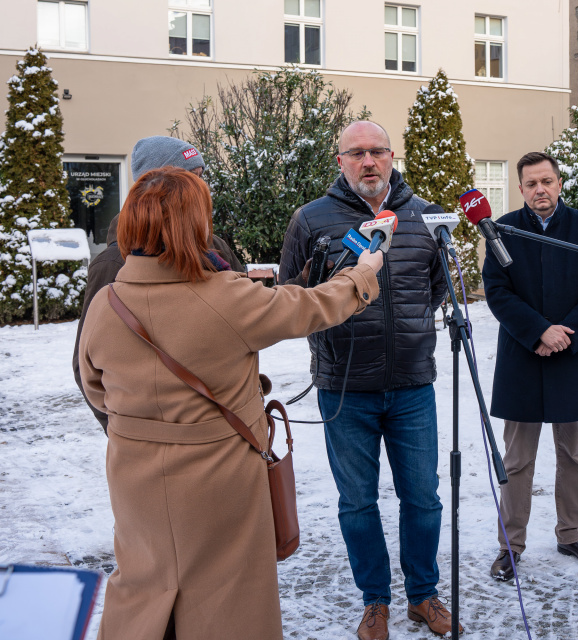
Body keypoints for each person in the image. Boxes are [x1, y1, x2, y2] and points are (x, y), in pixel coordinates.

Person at [78, 167, 382, 639]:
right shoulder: (225, 297)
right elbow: (314, 306)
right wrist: (363, 274)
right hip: (219, 476)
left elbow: (93, 384)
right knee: (227, 596)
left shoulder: (107, 302)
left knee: (144, 580)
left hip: (134, 476)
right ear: (192, 225)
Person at [277, 120, 455, 640]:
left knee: (422, 498)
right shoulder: (311, 220)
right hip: (344, 387)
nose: (368, 162)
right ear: (340, 162)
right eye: (356, 153)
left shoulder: (424, 218)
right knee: (357, 503)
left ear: (392, 156)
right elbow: (291, 295)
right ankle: (375, 601)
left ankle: (423, 595)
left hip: (411, 386)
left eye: (377, 151)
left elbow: (436, 290)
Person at [482, 151, 578, 582]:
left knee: (572, 453)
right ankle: (511, 544)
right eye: (531, 183)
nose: (540, 189)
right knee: (517, 459)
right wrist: (539, 331)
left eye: (547, 181)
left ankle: (572, 532)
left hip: (573, 356)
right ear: (521, 189)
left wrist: (564, 334)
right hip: (523, 355)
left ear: (560, 183)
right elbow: (497, 291)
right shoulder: (502, 230)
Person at [72, 135, 243, 433]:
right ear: (156, 187)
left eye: (201, 178)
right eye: (190, 177)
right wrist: (125, 431)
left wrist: (305, 282)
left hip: (227, 425)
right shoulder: (113, 263)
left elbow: (252, 305)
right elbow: (86, 365)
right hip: (155, 443)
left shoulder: (214, 246)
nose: (202, 189)